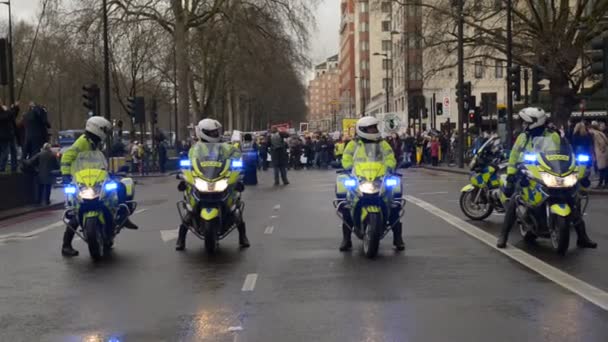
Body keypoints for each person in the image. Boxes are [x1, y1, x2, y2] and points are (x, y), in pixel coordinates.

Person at [496, 107, 596, 249]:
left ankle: (582, 237)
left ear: (535, 122)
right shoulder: (523, 137)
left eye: (526, 122)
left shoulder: (553, 136)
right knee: (516, 198)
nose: (523, 125)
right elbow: (514, 156)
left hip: (551, 172)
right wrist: (512, 174)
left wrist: (579, 171)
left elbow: (564, 154)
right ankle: (503, 236)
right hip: (529, 172)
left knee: (573, 199)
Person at [59, 117, 139, 257]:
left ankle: (121, 215)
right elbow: (67, 157)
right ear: (98, 129)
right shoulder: (82, 142)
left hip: (94, 179)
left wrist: (108, 173)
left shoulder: (93, 144)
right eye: (105, 131)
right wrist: (66, 175)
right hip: (81, 181)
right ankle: (66, 245)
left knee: (118, 188)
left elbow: (97, 161)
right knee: (76, 212)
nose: (106, 134)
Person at [175, 118, 249, 250]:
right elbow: (190, 163)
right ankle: (181, 239)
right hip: (203, 179)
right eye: (212, 132)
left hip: (219, 178)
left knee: (235, 210)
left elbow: (236, 155)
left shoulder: (226, 147)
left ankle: (243, 237)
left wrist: (238, 167)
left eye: (216, 132)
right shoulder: (195, 148)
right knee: (190, 210)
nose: (215, 134)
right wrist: (184, 176)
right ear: (203, 132)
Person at [340, 116, 403, 251]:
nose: (374, 130)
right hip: (360, 178)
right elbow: (346, 157)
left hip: (379, 178)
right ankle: (346, 239)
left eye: (375, 127)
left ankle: (398, 238)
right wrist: (348, 167)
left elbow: (390, 157)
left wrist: (390, 167)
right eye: (371, 128)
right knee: (347, 206)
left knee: (394, 205)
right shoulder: (354, 144)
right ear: (362, 129)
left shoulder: (382, 144)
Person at [0, 102, 19, 173]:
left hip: (10, 134)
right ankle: (1, 168)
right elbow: (6, 116)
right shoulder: (4, 113)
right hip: (3, 136)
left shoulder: (5, 112)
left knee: (14, 151)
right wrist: (10, 109)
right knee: (5, 152)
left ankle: (14, 168)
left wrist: (16, 108)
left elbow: (12, 115)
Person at [589, 122, 608, 189]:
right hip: (604, 153)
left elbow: (602, 143)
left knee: (602, 169)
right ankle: (604, 183)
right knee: (604, 169)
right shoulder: (600, 133)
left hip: (601, 153)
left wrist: (601, 150)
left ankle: (602, 184)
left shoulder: (596, 134)